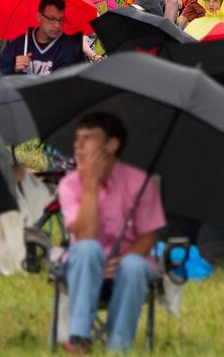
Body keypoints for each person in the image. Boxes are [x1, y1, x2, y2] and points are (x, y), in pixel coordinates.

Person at [58, 112, 166, 354]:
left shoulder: (141, 183)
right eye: (77, 139)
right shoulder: (70, 185)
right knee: (87, 250)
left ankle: (118, 347)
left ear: (112, 144)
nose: (78, 145)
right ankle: (79, 337)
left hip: (127, 267)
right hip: (83, 266)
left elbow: (148, 238)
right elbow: (84, 237)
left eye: (87, 138)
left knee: (134, 266)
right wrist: (90, 186)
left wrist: (121, 261)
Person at [0, 0, 88, 76]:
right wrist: (13, 68)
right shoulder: (20, 42)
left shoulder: (69, 47)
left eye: (61, 20)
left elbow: (80, 83)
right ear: (39, 17)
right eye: (52, 19)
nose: (57, 25)